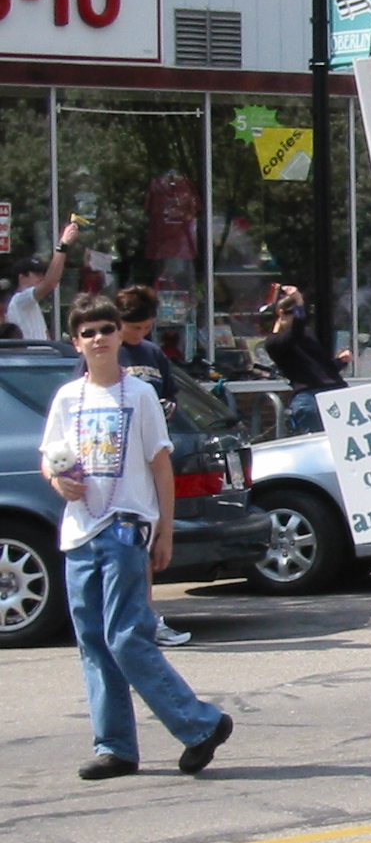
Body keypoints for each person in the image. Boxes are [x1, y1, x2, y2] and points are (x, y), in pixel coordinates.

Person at [42, 294, 233, 781]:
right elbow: (51, 457)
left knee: (127, 637)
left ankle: (199, 724)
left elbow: (159, 465)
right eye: (88, 333)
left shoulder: (140, 395)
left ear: (119, 335)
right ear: (76, 343)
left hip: (126, 527)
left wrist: (163, 531)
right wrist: (56, 479)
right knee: (92, 642)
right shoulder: (68, 399)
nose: (99, 338)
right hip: (79, 532)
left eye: (107, 329)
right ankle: (116, 747)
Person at [108, 286, 188, 649]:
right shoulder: (107, 351)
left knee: (146, 537)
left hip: (149, 453)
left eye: (144, 328)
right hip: (113, 459)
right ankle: (130, 618)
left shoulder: (152, 354)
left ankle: (147, 616)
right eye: (133, 327)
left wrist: (166, 405)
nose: (138, 335)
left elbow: (170, 392)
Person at [263, 285, 350, 435]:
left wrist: (341, 361)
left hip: (335, 390)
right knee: (318, 444)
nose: (299, 318)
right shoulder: (274, 342)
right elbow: (294, 333)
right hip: (309, 397)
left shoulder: (306, 334)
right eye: (294, 313)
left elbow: (322, 369)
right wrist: (299, 302)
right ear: (280, 314)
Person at [8, 222, 82, 340]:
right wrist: (63, 244)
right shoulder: (19, 300)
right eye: (36, 274)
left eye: (42, 274)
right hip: (31, 357)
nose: (41, 277)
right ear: (22, 277)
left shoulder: (31, 303)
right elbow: (50, 283)